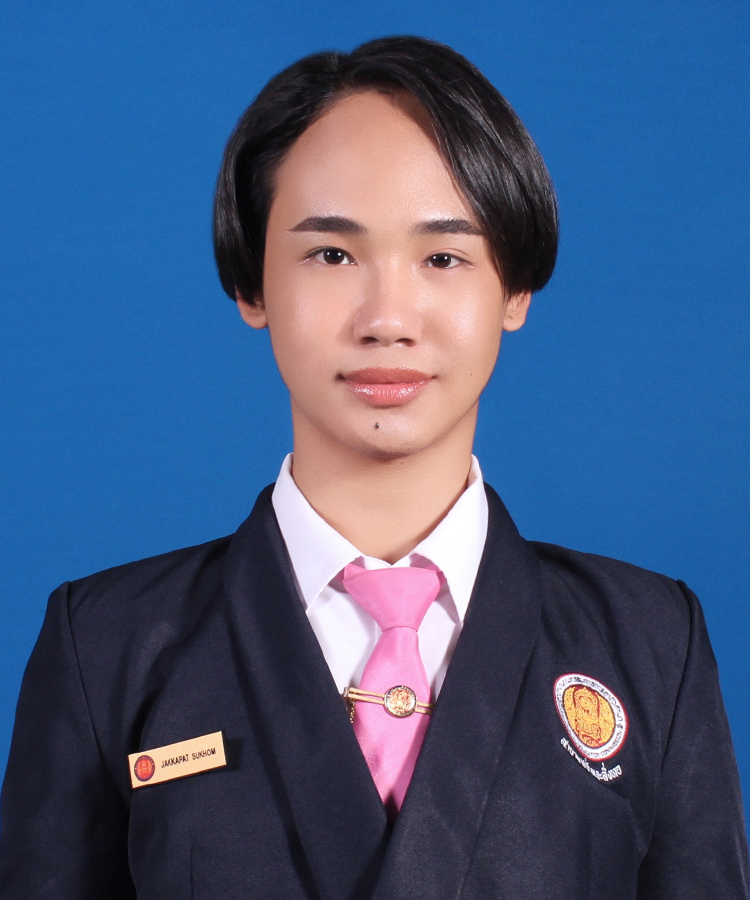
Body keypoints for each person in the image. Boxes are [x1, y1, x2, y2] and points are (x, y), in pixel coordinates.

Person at [0, 35, 747, 900]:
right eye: (332, 254)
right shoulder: (106, 647)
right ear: (252, 285)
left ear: (514, 290)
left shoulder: (653, 643)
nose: (388, 318)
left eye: (443, 258)